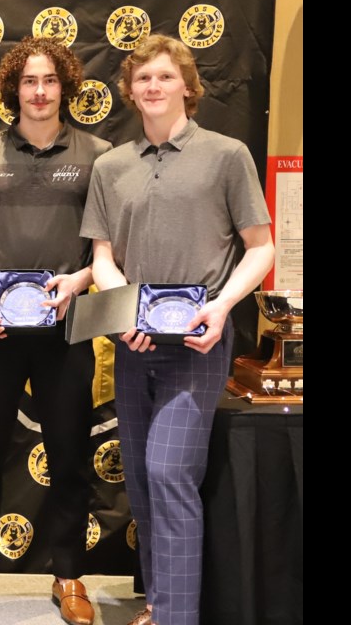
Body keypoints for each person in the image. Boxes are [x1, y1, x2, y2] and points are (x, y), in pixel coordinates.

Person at [80, 34, 274, 625]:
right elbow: (103, 257)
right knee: (140, 479)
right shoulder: (111, 165)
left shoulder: (227, 154)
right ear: (130, 92)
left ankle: (177, 617)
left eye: (165, 78)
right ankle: (160, 602)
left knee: (169, 473)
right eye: (143, 80)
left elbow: (261, 250)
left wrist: (221, 309)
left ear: (187, 86)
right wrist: (119, 312)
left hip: (200, 341)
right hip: (135, 344)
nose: (153, 88)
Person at [0, 36, 111, 625]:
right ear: (12, 89)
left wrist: (81, 281)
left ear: (65, 87)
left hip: (67, 330)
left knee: (70, 457)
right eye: (28, 82)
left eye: (49, 81)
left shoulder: (99, 155)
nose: (39, 92)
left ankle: (69, 578)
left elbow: (107, 249)